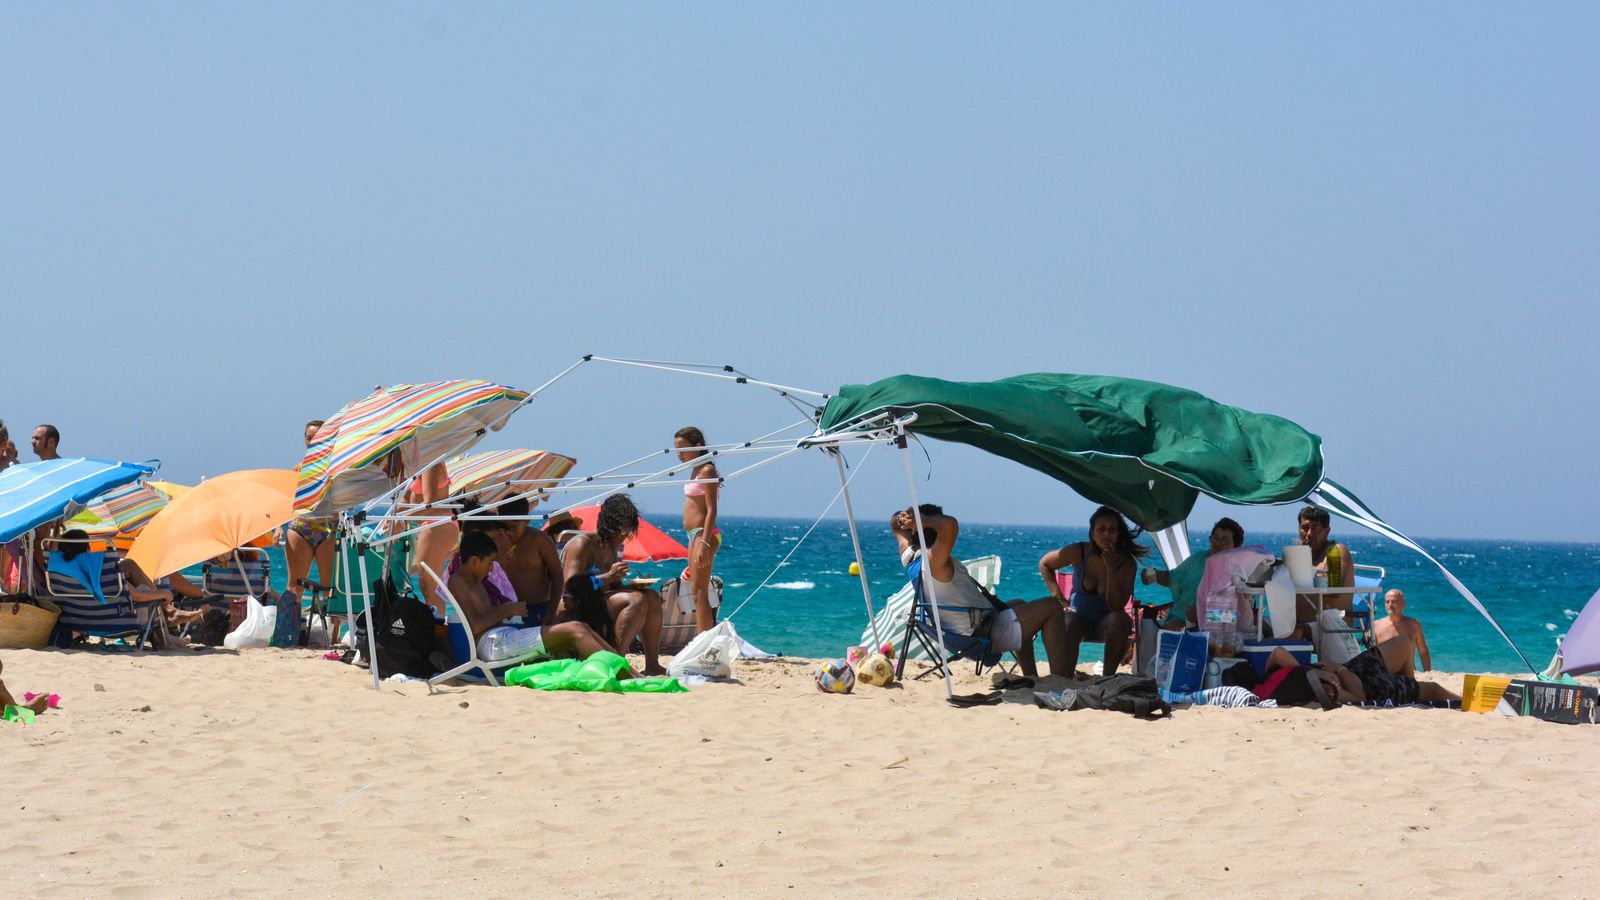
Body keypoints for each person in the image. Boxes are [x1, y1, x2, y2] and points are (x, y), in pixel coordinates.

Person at [890, 504, 1073, 679]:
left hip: (963, 632)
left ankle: (1031, 675)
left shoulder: (911, 556)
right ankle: (1062, 678)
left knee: (1019, 604)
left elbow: (894, 525)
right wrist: (924, 519)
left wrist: (901, 518)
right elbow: (950, 525)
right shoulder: (934, 562)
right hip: (981, 635)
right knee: (1052, 606)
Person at [449, 530, 627, 670]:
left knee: (582, 627)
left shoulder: (476, 582)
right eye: (489, 563)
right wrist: (508, 609)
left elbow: (485, 616)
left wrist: (506, 611)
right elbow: (474, 626)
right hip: (491, 645)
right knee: (575, 629)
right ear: (474, 561)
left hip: (502, 638)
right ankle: (622, 674)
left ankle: (627, 670)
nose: (490, 569)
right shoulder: (458, 582)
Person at [559, 494, 666, 675]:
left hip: (597, 602)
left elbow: (611, 587)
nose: (623, 537)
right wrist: (608, 577)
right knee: (637, 601)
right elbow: (571, 587)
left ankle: (652, 664)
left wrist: (632, 586)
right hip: (575, 606)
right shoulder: (583, 544)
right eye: (622, 531)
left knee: (651, 597)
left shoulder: (611, 547)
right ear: (609, 525)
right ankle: (616, 661)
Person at [1039, 506, 1149, 675]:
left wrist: (1111, 569)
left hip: (1106, 622)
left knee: (1121, 620)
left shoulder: (1126, 563)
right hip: (1078, 619)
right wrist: (1061, 601)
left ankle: (1107, 676)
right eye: (1101, 529)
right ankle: (1064, 676)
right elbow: (1045, 564)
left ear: (1119, 533)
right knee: (1067, 621)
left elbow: (1116, 607)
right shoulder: (1079, 552)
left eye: (1112, 529)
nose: (1106, 534)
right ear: (1092, 532)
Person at [1142, 517, 1245, 630]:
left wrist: (1202, 616)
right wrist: (1153, 576)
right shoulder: (1198, 559)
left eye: (1225, 540)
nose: (1218, 543)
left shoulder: (1237, 574)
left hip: (1215, 636)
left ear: (1236, 547)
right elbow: (1173, 578)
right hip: (1178, 623)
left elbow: (1238, 617)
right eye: (1215, 538)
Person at [674, 426, 721, 633]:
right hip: (693, 536)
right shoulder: (694, 470)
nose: (679, 454)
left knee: (700, 592)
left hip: (705, 534)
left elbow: (712, 510)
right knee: (695, 591)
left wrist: (703, 543)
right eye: (677, 449)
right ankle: (702, 638)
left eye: (683, 448)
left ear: (698, 446)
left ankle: (704, 641)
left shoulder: (707, 470)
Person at [286, 419, 338, 600]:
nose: (312, 442)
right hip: (301, 527)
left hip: (329, 528)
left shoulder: (336, 467)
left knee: (329, 588)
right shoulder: (299, 469)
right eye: (309, 438)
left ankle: (333, 629)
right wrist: (278, 527)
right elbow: (286, 501)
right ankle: (289, 628)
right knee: (294, 587)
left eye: (317, 437)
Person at [495, 497, 564, 628]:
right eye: (505, 527)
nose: (509, 532)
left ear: (527, 520)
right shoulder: (495, 540)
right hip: (504, 610)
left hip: (538, 608)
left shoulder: (539, 540)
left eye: (514, 527)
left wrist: (552, 611)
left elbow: (557, 575)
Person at [1297, 506, 1354, 627]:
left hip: (1332, 628)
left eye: (1315, 528)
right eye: (1305, 528)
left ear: (1327, 531)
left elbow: (1335, 590)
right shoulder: (1297, 555)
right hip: (1302, 626)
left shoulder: (1334, 551)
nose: (1309, 534)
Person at [1373, 589, 1432, 672]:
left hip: (1409, 673)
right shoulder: (1376, 626)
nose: (1390, 605)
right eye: (1387, 602)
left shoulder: (1413, 625)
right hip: (1386, 673)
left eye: (1394, 601)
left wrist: (1427, 672)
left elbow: (1423, 651)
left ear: (1403, 604)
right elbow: (1372, 654)